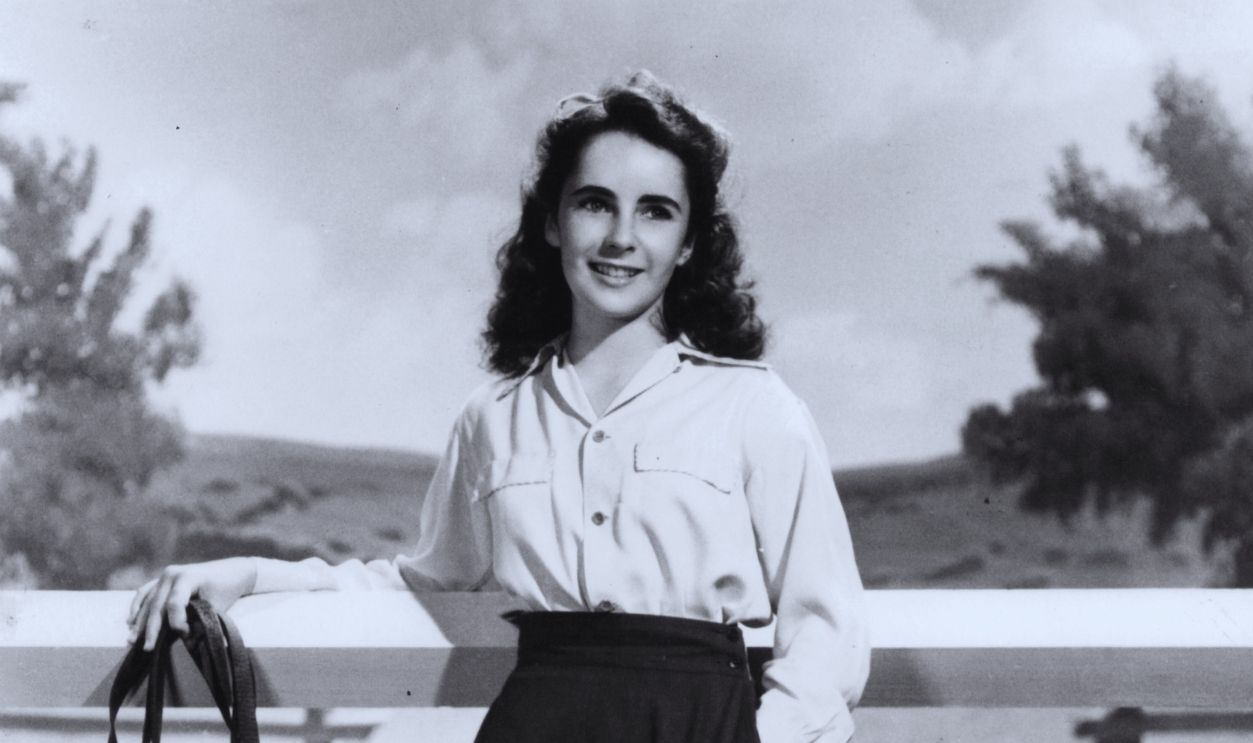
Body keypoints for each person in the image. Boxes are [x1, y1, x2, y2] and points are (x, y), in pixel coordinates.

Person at [129, 71, 870, 743]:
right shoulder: (494, 417)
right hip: (539, 720)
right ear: (552, 222)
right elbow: (417, 582)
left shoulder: (754, 406)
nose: (620, 236)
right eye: (593, 203)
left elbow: (828, 633)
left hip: (703, 721)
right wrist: (253, 575)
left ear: (687, 244)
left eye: (654, 212)